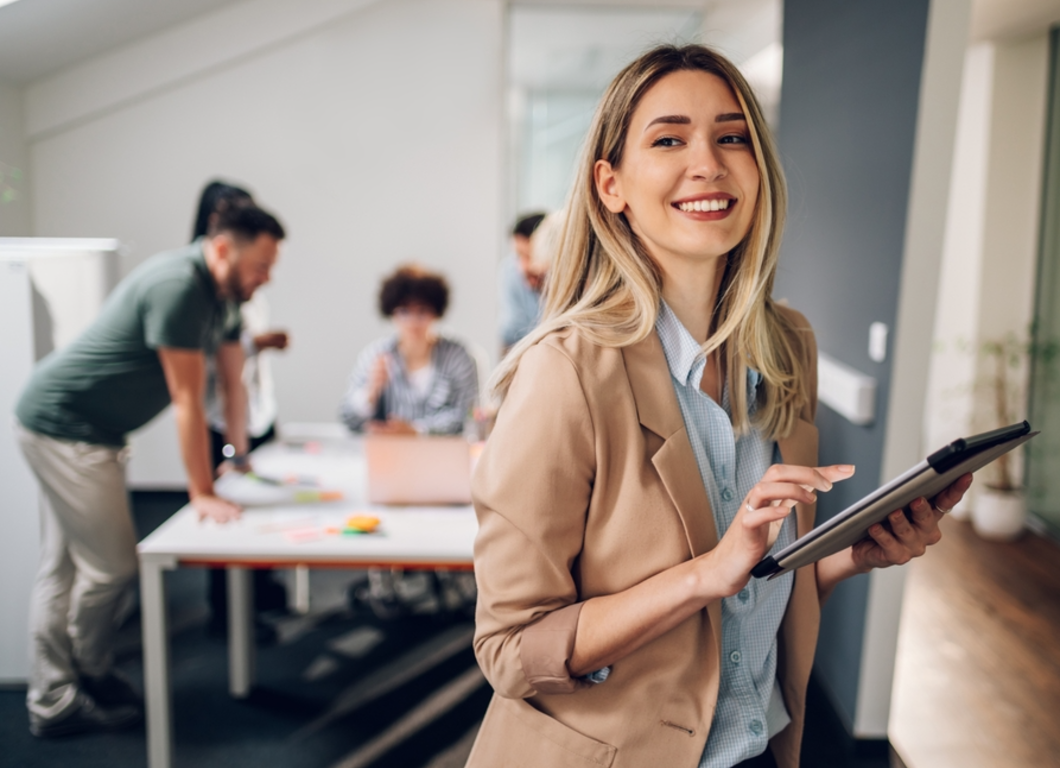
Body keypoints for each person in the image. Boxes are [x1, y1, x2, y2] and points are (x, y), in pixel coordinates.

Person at [467, 44, 972, 768]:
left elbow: (750, 596)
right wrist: (706, 571)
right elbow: (511, 651)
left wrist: (843, 557)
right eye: (668, 139)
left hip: (759, 748)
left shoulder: (787, 342)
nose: (707, 162)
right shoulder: (565, 372)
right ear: (612, 185)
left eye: (732, 136)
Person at [14, 202, 285, 738]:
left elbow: (229, 384)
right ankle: (85, 678)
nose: (266, 277)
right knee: (111, 567)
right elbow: (187, 401)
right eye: (260, 265)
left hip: (90, 429)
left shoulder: (226, 296)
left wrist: (240, 458)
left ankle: (54, 694)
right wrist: (202, 492)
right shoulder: (179, 286)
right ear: (224, 249)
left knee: (66, 566)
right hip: (66, 425)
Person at [192, 181, 292, 637]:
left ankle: (259, 594)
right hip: (221, 417)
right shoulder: (198, 291)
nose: (266, 276)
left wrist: (242, 446)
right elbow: (213, 376)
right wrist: (231, 452)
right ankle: (228, 614)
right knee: (226, 514)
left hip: (251, 413)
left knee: (259, 508)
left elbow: (237, 381)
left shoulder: (241, 291)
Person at [339, 265, 478, 436]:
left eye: (422, 312)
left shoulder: (458, 358)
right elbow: (348, 419)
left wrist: (416, 430)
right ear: (391, 313)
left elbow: (466, 417)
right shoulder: (375, 356)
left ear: (435, 313)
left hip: (441, 456)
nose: (413, 322)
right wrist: (370, 392)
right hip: (389, 456)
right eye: (404, 312)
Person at [498, 212, 546, 353]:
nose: (524, 267)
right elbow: (509, 334)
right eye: (519, 255)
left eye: (531, 256)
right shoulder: (509, 272)